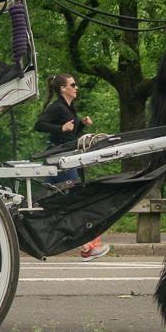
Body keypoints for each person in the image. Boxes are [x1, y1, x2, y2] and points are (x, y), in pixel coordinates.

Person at [33, 74, 110, 260]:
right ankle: (87, 247)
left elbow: (70, 134)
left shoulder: (69, 108)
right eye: (73, 84)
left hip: (59, 158)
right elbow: (39, 125)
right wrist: (60, 129)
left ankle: (37, 241)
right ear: (63, 89)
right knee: (75, 199)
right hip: (59, 158)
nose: (76, 87)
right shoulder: (58, 107)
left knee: (47, 203)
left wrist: (81, 126)